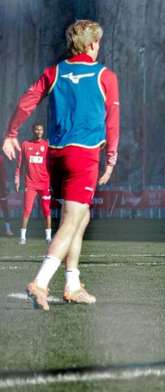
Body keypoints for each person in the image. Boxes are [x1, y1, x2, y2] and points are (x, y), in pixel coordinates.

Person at [3, 20, 119, 310]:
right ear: (92, 44)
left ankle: (73, 283)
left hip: (57, 156)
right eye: (98, 42)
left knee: (82, 217)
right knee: (71, 220)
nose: (99, 47)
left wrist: (11, 133)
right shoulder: (105, 75)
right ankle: (40, 282)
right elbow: (112, 122)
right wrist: (112, 159)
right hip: (85, 156)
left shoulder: (54, 72)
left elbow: (27, 102)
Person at [15, 123, 52, 244]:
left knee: (47, 210)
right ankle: (22, 237)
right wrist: (17, 178)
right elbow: (20, 164)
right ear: (33, 130)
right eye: (37, 129)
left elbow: (52, 163)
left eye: (41, 130)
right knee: (27, 210)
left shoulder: (47, 145)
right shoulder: (25, 144)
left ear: (43, 131)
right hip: (30, 184)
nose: (39, 132)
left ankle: (48, 237)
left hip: (44, 183)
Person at [0, 159, 12, 236]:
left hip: (2, 191)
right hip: (2, 190)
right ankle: (8, 230)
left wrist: (6, 188)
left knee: (5, 210)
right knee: (5, 210)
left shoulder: (3, 169)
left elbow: (5, 179)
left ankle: (8, 230)